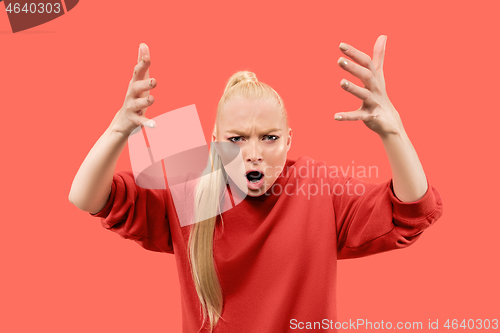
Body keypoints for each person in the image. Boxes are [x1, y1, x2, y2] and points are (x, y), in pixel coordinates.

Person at [68, 35, 444, 333]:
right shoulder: (190, 192)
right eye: (236, 139)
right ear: (214, 139)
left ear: (289, 140)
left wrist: (393, 130)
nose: (253, 154)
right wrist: (120, 128)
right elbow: (86, 196)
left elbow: (410, 211)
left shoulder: (317, 186)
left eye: (268, 137)